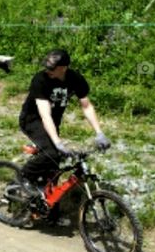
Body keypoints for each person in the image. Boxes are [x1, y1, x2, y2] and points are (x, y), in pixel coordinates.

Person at [18, 49, 110, 199]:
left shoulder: (75, 79)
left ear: (63, 68)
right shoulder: (40, 80)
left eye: (51, 68)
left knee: (54, 168)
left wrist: (99, 133)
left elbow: (86, 106)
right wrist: (57, 142)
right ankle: (23, 177)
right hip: (32, 121)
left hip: (53, 123)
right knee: (52, 153)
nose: (47, 71)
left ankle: (49, 211)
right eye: (46, 67)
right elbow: (45, 115)